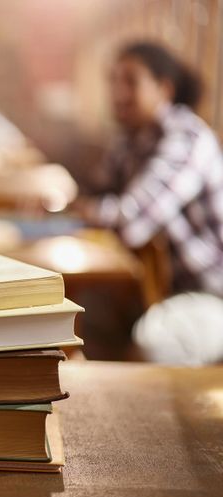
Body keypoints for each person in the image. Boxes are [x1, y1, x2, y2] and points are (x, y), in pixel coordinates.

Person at [81, 41, 223, 365]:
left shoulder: (187, 137)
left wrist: (86, 209)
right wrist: (84, 206)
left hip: (211, 294)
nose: (118, 92)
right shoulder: (130, 140)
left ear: (164, 88)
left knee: (154, 344)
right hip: (158, 290)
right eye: (113, 80)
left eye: (130, 80)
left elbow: (131, 220)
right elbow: (92, 193)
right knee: (81, 318)